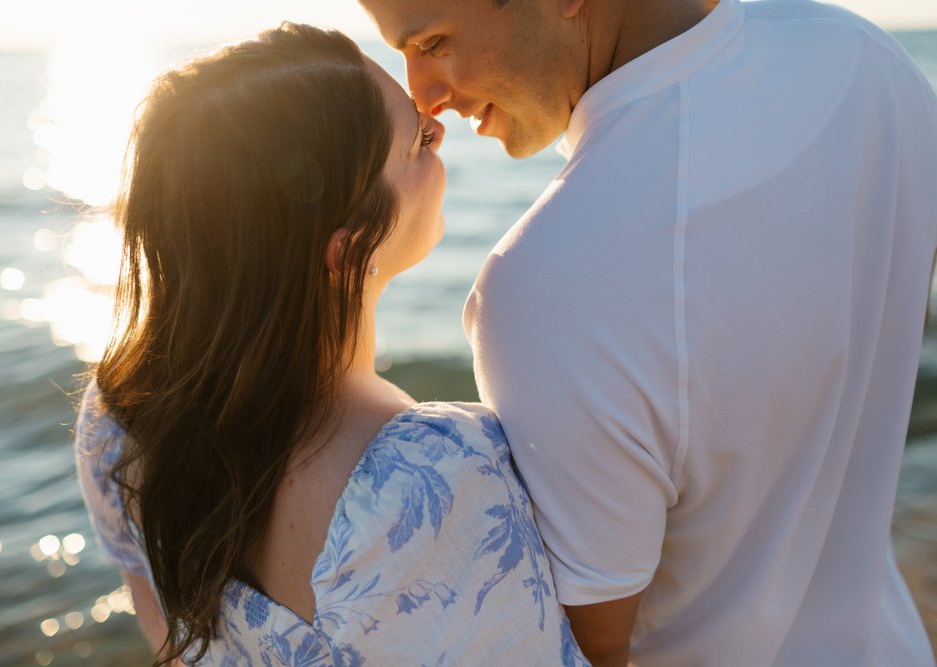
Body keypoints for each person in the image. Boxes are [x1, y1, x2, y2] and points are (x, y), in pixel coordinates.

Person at [358, 0, 937, 664]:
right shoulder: (870, 63)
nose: (423, 98)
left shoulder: (552, 280)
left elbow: (587, 652)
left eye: (433, 42)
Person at [73, 23, 589, 667]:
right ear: (348, 251)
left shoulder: (117, 418)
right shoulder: (427, 481)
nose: (442, 129)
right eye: (420, 142)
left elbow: (167, 639)